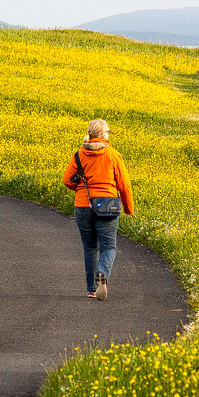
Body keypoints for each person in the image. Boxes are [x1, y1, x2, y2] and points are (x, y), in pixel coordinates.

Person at [62, 119, 134, 301]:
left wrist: (79, 188)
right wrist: (128, 208)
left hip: (83, 206)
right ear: (102, 135)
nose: (108, 134)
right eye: (107, 132)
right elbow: (124, 185)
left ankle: (92, 289)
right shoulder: (112, 155)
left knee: (89, 248)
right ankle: (102, 273)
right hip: (108, 206)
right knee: (108, 247)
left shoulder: (79, 155)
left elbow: (67, 180)